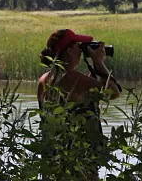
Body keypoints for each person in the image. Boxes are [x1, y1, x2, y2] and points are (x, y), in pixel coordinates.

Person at [37, 29, 121, 180]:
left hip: (53, 157)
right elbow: (113, 92)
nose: (82, 52)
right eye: (78, 47)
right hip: (79, 159)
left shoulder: (44, 79)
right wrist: (98, 62)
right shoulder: (75, 79)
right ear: (69, 51)